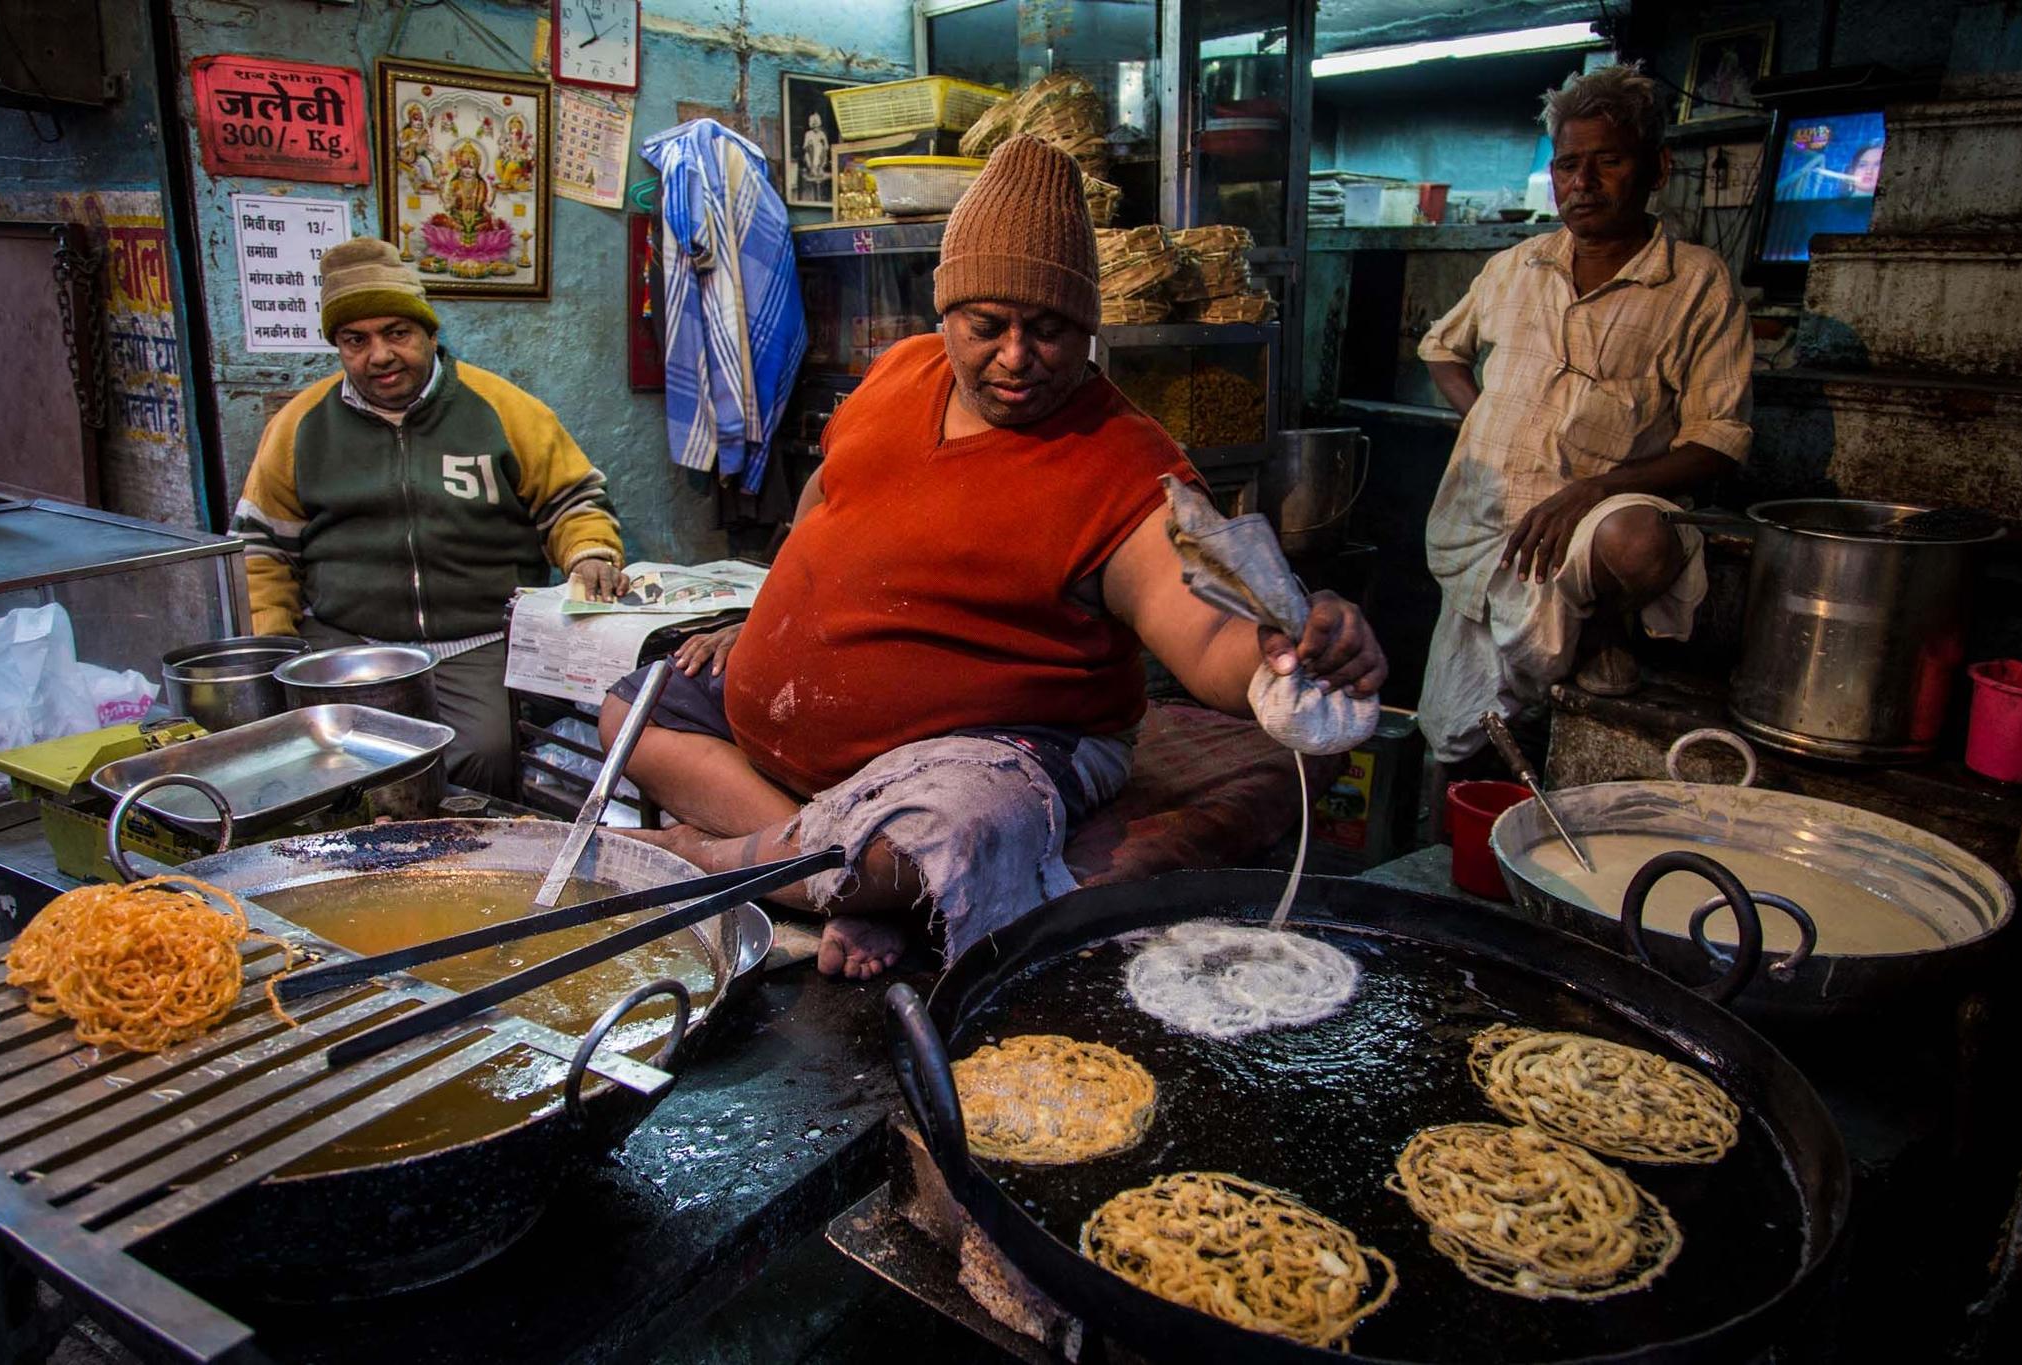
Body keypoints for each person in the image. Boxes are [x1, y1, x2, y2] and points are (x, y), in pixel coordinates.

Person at [602, 135, 1386, 979]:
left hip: (999, 746)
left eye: (1049, 331)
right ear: (947, 314)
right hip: (800, 749)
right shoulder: (902, 371)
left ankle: (716, 859)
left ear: (1087, 328)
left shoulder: (1122, 462)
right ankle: (834, 880)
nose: (1015, 358)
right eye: (989, 326)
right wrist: (763, 616)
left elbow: (1204, 634)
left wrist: (1287, 651)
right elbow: (823, 501)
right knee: (628, 710)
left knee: (945, 839)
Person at [1414, 63, 1752, 777]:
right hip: (1486, 525)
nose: (1583, 182)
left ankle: (1601, 633)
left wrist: (1593, 491)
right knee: (1452, 738)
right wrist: (1481, 416)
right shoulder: (1516, 266)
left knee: (1640, 539)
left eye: (1609, 161)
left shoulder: (1695, 282)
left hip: (1587, 531)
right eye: (1568, 164)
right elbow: (1442, 348)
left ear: (1656, 168)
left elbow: (1720, 441)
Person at [232, 238, 629, 795]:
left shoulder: (502, 409)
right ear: (338, 347)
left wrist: (589, 553)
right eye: (356, 340)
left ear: (430, 334)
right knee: (333, 768)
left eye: (397, 333)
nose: (379, 355)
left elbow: (574, 502)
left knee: (486, 756)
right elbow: (262, 549)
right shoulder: (300, 425)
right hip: (348, 644)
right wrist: (274, 654)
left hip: (481, 640)